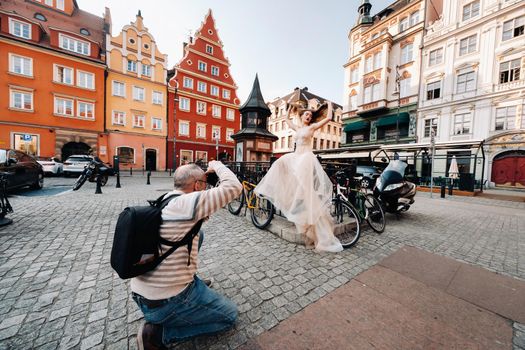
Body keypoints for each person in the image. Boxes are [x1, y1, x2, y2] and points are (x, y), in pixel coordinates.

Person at [131, 161, 242, 349]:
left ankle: (190, 280)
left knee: (200, 234)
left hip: (143, 295)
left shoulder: (168, 199)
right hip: (167, 302)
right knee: (229, 316)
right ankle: (158, 335)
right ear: (197, 185)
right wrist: (216, 165)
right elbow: (234, 186)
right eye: (204, 183)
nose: (206, 186)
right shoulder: (189, 204)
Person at [255, 102, 343, 253]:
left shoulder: (312, 128)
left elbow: (328, 117)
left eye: (310, 115)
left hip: (306, 159)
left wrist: (328, 104)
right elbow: (288, 121)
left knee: (307, 191)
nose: (308, 116)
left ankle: (318, 228)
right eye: (306, 114)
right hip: (296, 157)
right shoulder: (298, 128)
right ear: (301, 116)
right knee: (280, 163)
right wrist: (289, 110)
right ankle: (283, 194)